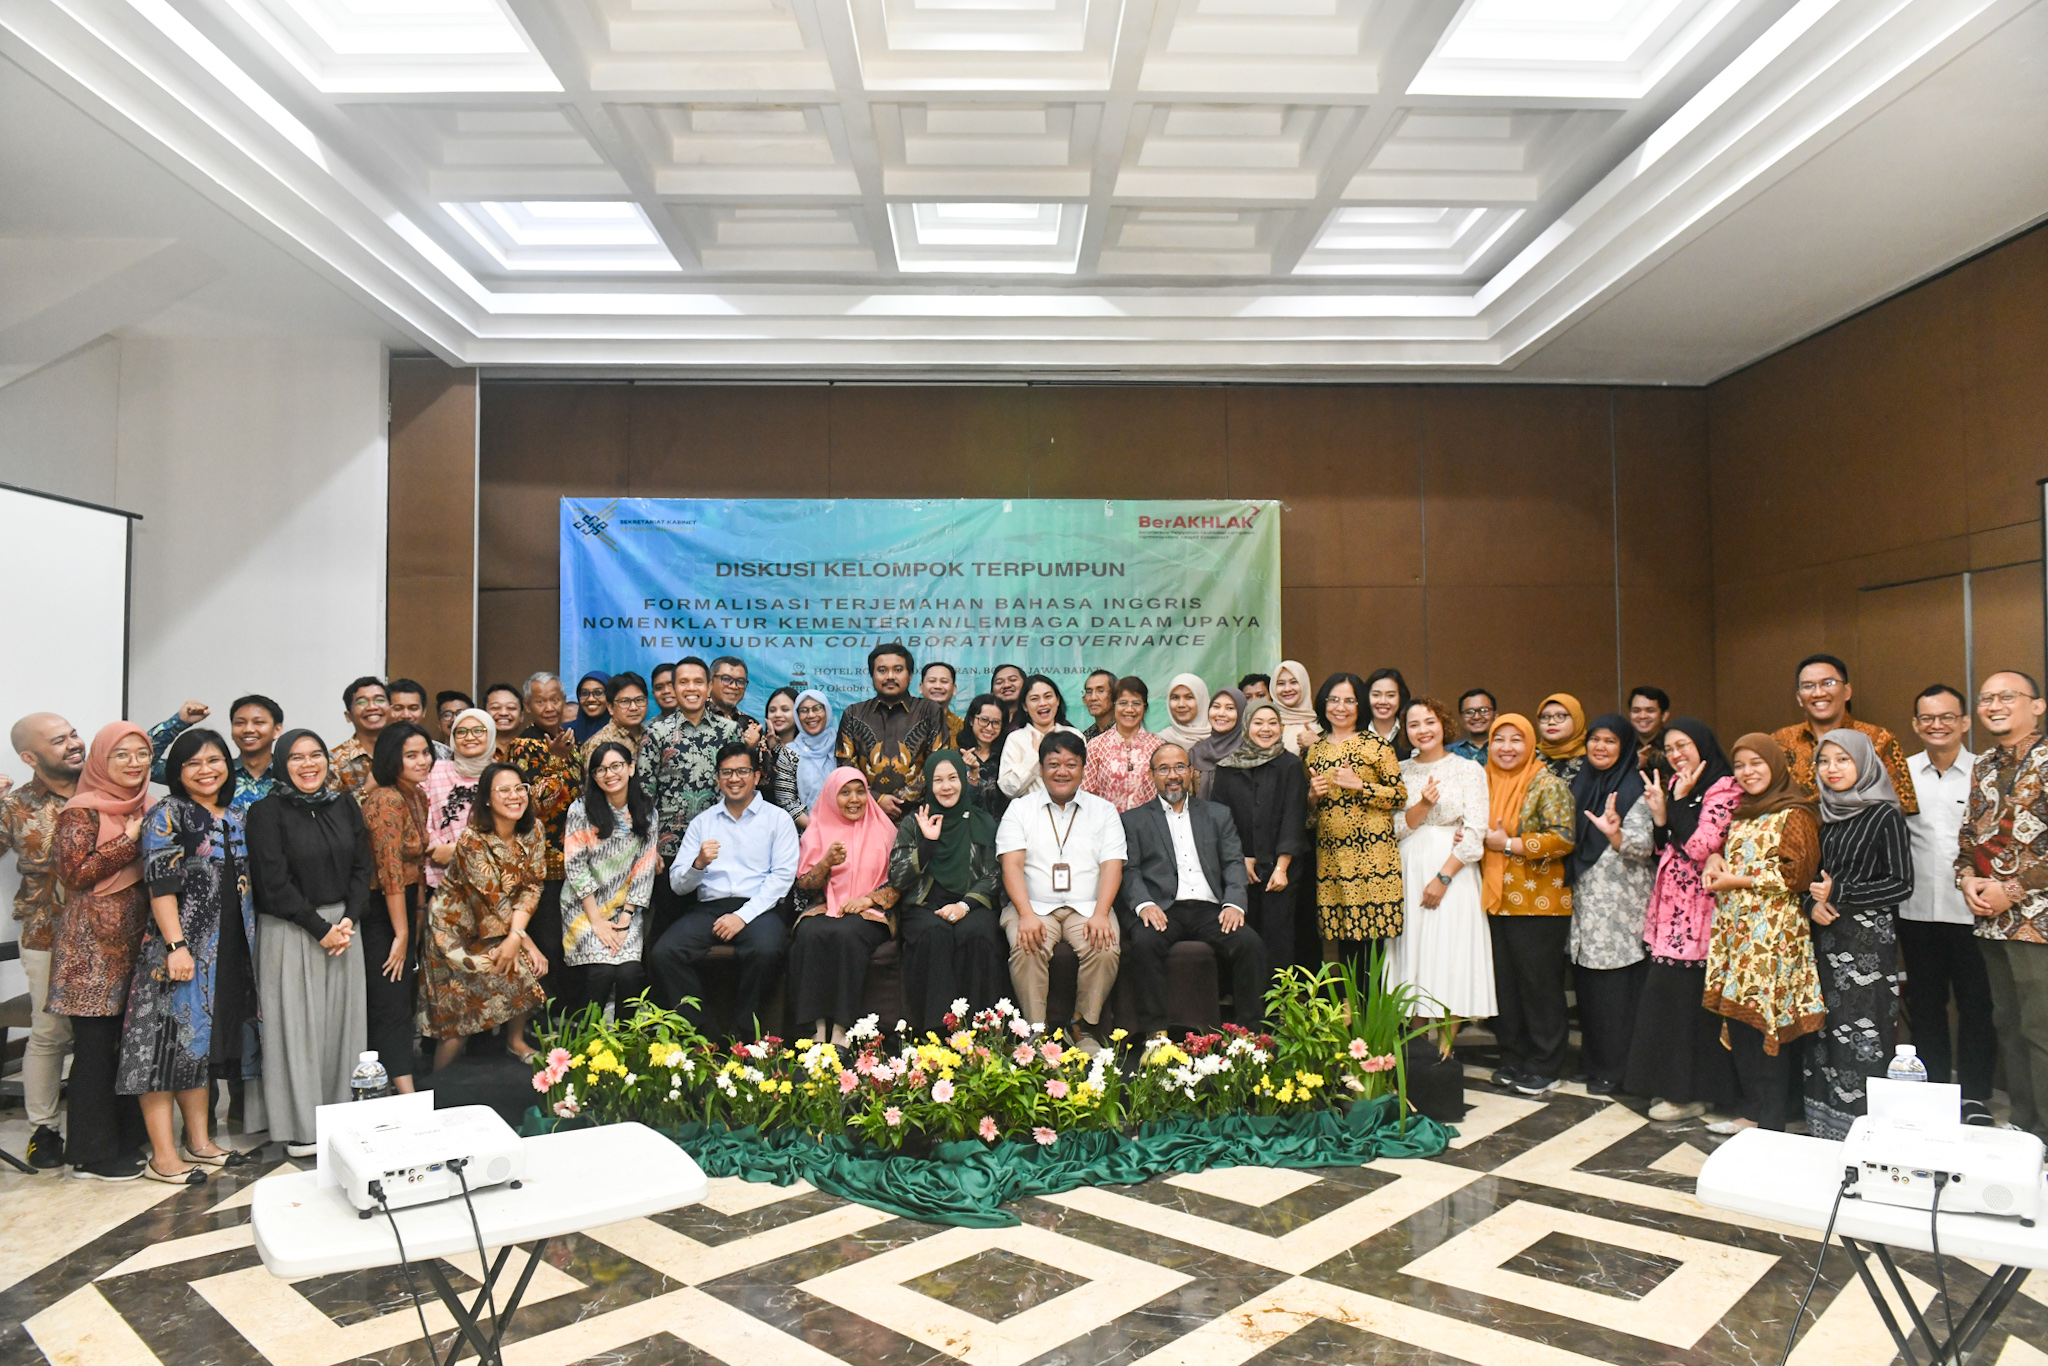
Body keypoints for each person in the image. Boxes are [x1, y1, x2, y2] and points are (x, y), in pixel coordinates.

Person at [122, 728, 257, 1183]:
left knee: (199, 1050)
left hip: (226, 952)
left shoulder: (235, 815)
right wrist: (176, 946)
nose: (206, 770)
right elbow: (160, 884)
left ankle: (199, 1143)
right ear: (177, 772)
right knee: (161, 1050)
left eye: (214, 760)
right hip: (176, 953)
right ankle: (163, 1158)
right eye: (193, 763)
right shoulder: (168, 813)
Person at [245, 731, 371, 1157]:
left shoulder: (344, 805)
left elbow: (362, 867)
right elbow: (272, 882)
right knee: (297, 1030)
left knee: (343, 1028)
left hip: (344, 931)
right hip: (292, 931)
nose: (308, 764)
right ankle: (301, 1127)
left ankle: (342, 1120)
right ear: (282, 764)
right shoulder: (266, 812)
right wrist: (320, 928)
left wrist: (349, 918)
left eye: (316, 755)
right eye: (296, 757)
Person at [1699, 735, 1823, 1134]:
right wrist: (1715, 858)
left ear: (1775, 764)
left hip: (1774, 937)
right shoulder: (1743, 813)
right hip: (1738, 934)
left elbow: (1797, 876)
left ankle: (1771, 1121)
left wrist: (1736, 880)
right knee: (1743, 1023)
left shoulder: (1795, 813)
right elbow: (1733, 858)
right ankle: (1752, 1113)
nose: (1747, 772)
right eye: (1740, 765)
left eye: (1756, 763)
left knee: (1769, 1023)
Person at [51, 723, 155, 1180]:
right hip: (91, 952)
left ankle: (127, 1137)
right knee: (94, 1052)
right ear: (100, 760)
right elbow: (75, 873)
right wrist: (128, 840)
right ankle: (90, 1154)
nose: (134, 763)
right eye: (122, 755)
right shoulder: (81, 810)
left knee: (127, 1045)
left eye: (142, 754)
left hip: (136, 945)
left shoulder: (148, 805)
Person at [1623, 719, 1741, 1121]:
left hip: (1702, 913)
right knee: (1669, 1004)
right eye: (1670, 748)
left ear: (1703, 744)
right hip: (1672, 911)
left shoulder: (1724, 787)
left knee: (1689, 1005)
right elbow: (1666, 844)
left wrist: (1676, 804)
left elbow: (1702, 846)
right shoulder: (1678, 784)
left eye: (1684, 745)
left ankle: (1692, 1093)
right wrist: (1662, 814)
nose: (1676, 755)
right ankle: (1678, 1089)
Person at [1805, 729, 1914, 1139]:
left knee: (1863, 1030)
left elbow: (1901, 884)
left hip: (1867, 944)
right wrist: (1812, 905)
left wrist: (1842, 893)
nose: (1832, 769)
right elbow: (1812, 879)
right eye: (1824, 761)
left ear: (1865, 763)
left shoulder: (1884, 814)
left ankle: (1864, 1129)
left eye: (1843, 759)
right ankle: (1824, 1124)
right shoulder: (1824, 816)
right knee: (1825, 1029)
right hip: (1826, 938)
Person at [650, 743, 798, 1038]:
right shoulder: (703, 823)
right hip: (710, 907)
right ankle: (703, 1034)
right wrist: (698, 864)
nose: (734, 779)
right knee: (664, 953)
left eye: (742, 771)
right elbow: (678, 884)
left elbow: (782, 878)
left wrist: (742, 916)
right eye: (727, 772)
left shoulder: (778, 819)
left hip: (759, 907)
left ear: (757, 776)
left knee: (767, 951)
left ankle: (745, 1035)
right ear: (717, 778)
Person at [1118, 744, 1265, 1037]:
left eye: (1179, 767)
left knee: (1250, 944)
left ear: (1191, 772)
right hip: (1163, 908)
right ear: (1151, 775)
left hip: (1210, 908)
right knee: (1145, 943)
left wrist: (1234, 903)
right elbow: (1129, 869)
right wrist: (1144, 903)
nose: (1173, 775)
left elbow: (1233, 862)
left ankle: (1248, 1036)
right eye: (1164, 769)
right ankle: (1155, 1035)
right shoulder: (1133, 820)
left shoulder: (1217, 814)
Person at [1958, 672, 2048, 1140]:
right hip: (1991, 922)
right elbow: (1968, 836)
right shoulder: (1984, 765)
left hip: (2039, 922)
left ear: (2037, 705)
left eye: (2007, 696)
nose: (1994, 705)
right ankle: (2024, 1127)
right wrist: (1967, 879)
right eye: (1986, 698)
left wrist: (2011, 890)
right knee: (2008, 1026)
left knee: (2041, 1029)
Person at [1900, 685, 1995, 1123]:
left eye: (1947, 717)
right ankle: (1935, 1091)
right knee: (1925, 1005)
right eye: (1927, 718)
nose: (1937, 725)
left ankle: (1974, 1096)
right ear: (1916, 724)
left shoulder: (1984, 772)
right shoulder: (1902, 773)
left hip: (1973, 911)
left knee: (1977, 1006)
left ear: (1964, 722)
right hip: (1915, 909)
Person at [997, 731, 1125, 1050]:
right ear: (1041, 769)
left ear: (1083, 768)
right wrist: (1025, 914)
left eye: (1071, 764)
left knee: (1105, 946)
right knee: (1027, 944)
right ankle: (1036, 1032)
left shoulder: (1104, 810)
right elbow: (1011, 866)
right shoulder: (1019, 809)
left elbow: (1112, 866)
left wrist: (1101, 913)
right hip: (1033, 905)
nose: (1062, 771)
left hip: (1088, 905)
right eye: (1053, 764)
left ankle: (1081, 1026)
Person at [420, 763, 550, 1070]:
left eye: (520, 788)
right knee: (459, 1021)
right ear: (487, 799)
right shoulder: (472, 840)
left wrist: (517, 939)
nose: (514, 796)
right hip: (455, 932)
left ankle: (515, 1042)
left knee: (521, 971)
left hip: (500, 925)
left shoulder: (534, 829)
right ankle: (439, 1084)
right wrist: (523, 941)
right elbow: (493, 900)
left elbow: (532, 885)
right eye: (503, 790)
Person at [1, 713, 86, 1169]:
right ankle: (44, 1129)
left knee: (109, 1032)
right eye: (59, 740)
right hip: (45, 932)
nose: (74, 744)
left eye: (73, 734)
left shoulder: (104, 786)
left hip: (111, 932)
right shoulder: (16, 806)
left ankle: (108, 1125)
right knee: (51, 1031)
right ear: (30, 757)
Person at [1478, 714, 1576, 1096]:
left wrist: (1508, 844)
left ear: (1530, 744)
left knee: (1539, 987)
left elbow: (1563, 839)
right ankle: (1514, 1057)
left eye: (1516, 739)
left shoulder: (1547, 784)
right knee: (1506, 987)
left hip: (1539, 903)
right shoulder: (1483, 783)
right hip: (1494, 900)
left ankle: (1545, 1064)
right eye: (1498, 739)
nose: (1506, 748)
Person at [1564, 714, 1654, 1095]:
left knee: (1616, 992)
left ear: (1625, 746)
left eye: (1610, 741)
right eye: (1595, 739)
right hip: (1586, 902)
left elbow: (1644, 846)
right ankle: (1593, 1061)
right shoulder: (1582, 782)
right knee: (1589, 987)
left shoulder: (1634, 786)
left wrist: (1615, 835)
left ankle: (1616, 1069)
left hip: (1620, 905)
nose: (1600, 747)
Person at [1388, 698, 1491, 1025]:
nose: (1423, 730)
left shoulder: (1468, 769)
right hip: (1409, 868)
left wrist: (1443, 878)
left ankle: (1447, 1046)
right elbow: (1395, 828)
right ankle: (1416, 1044)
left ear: (1443, 724)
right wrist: (1422, 805)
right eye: (1414, 724)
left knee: (1452, 953)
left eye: (1429, 721)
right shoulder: (1399, 771)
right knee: (1414, 952)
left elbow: (1475, 831)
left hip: (1454, 871)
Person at [890, 750, 1007, 1037]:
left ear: (963, 780)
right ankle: (936, 1034)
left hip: (971, 904)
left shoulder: (982, 821)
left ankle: (982, 1030)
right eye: (938, 780)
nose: (946, 787)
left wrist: (964, 906)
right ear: (929, 784)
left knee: (978, 934)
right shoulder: (914, 822)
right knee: (934, 934)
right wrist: (927, 843)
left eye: (953, 778)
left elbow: (994, 875)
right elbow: (898, 878)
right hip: (924, 904)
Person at [789, 768, 899, 1044]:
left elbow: (901, 880)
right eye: (845, 792)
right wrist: (826, 862)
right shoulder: (817, 829)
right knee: (809, 934)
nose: (854, 799)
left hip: (871, 910)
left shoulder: (884, 828)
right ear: (831, 796)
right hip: (825, 905)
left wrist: (868, 900)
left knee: (846, 934)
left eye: (860, 792)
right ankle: (816, 1030)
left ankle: (841, 1030)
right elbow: (805, 884)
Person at [1303, 672, 1407, 965]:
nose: (1341, 707)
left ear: (1360, 705)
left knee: (1373, 948)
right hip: (1333, 859)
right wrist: (1312, 797)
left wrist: (1360, 785)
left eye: (1350, 701)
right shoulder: (1314, 751)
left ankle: (1373, 999)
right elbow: (1310, 817)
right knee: (1344, 945)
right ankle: (1349, 998)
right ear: (1323, 703)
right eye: (1333, 699)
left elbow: (1399, 796)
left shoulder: (1377, 746)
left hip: (1373, 860)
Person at [358, 722, 437, 1093]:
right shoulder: (385, 800)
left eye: (425, 753)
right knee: (390, 1002)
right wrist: (401, 934)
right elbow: (389, 870)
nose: (423, 761)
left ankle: (396, 1082)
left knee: (403, 998)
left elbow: (416, 865)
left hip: (406, 905)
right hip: (380, 910)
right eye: (411, 755)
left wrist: (417, 917)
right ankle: (403, 1091)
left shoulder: (416, 795)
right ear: (392, 759)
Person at [561, 740, 659, 1020]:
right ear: (593, 776)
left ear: (631, 768)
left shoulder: (647, 812)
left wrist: (626, 918)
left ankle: (627, 1041)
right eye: (601, 770)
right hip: (583, 907)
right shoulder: (580, 810)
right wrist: (596, 921)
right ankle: (583, 1039)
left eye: (616, 766)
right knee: (601, 973)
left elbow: (644, 868)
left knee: (630, 973)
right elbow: (575, 866)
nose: (609, 774)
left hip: (625, 907)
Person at [1210, 699, 1309, 971]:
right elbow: (1220, 820)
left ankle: (1280, 998)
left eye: (1272, 723)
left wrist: (1281, 867)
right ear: (1246, 726)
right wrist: (1241, 858)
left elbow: (1293, 817)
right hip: (1238, 870)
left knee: (1278, 940)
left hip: (1281, 869)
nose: (1266, 729)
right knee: (1243, 939)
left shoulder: (1290, 765)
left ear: (1281, 727)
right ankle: (1247, 998)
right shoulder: (1227, 768)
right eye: (1258, 722)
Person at [507, 673, 583, 995]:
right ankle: (544, 1013)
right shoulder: (523, 746)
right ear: (528, 706)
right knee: (548, 942)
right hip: (542, 862)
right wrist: (555, 761)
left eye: (555, 699)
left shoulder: (569, 740)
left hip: (575, 859)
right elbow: (530, 805)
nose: (549, 707)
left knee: (571, 939)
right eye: (540, 701)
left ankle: (572, 1011)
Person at [638, 657, 747, 877]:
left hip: (720, 846)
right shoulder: (656, 733)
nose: (691, 688)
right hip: (669, 848)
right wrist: (647, 848)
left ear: (709, 687)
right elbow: (643, 796)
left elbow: (742, 788)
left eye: (698, 682)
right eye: (683, 682)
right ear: (674, 688)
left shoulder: (730, 731)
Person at [1772, 654, 1918, 814]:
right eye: (1808, 686)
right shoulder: (1780, 742)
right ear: (1799, 698)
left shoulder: (1879, 739)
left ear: (1847, 691)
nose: (1818, 693)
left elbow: (1903, 805)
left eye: (1828, 683)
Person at [836, 643, 947, 818]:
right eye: (882, 670)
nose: (890, 676)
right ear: (872, 676)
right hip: (866, 813)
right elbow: (845, 766)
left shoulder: (930, 711)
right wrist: (876, 799)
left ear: (910, 676)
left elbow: (938, 763)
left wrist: (898, 801)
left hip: (919, 816)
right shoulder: (853, 714)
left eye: (897, 670)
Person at [424, 707, 494, 890]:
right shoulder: (434, 770)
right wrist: (438, 849)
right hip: (441, 878)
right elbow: (419, 817)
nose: (469, 737)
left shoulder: (501, 775)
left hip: (490, 879)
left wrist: (459, 852)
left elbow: (508, 829)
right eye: (461, 731)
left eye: (478, 730)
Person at [999, 674, 1087, 800]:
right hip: (1029, 811)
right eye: (1034, 699)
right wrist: (1034, 754)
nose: (1042, 703)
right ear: (1025, 706)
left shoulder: (1075, 735)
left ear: (1057, 700)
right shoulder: (1015, 739)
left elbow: (1085, 781)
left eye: (1048, 696)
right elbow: (1008, 789)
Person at [1084, 677, 1163, 813]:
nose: (1129, 709)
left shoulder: (1158, 747)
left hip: (1148, 824)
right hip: (1106, 823)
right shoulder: (1096, 746)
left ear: (1145, 708)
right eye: (1123, 703)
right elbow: (1086, 794)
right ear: (1114, 705)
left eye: (1136, 703)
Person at [771, 688, 836, 829]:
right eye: (804, 710)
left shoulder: (842, 745)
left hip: (846, 831)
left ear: (827, 711)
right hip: (807, 834)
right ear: (797, 716)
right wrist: (817, 829)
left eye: (817, 708)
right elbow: (787, 802)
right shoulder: (789, 753)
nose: (811, 715)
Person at [329, 677, 389, 794]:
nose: (372, 707)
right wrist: (366, 790)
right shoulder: (334, 761)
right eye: (361, 702)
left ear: (391, 709)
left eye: (379, 700)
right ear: (348, 716)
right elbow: (331, 806)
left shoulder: (406, 751)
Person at [580, 671, 651, 764]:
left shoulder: (652, 735)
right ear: (610, 708)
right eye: (625, 701)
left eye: (639, 700)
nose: (633, 707)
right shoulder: (598, 743)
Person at [1189, 686, 1245, 800]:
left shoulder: (1250, 752)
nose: (1221, 713)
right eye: (1216, 706)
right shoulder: (1196, 753)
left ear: (1241, 712)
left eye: (1230, 708)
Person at [959, 693, 1010, 816]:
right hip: (967, 823)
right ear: (971, 720)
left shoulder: (1006, 756)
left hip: (1002, 824)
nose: (989, 728)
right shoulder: (959, 756)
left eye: (996, 722)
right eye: (984, 720)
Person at [387, 679, 452, 760]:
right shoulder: (376, 750)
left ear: (424, 711)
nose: (406, 715)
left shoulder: (443, 754)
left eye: (413, 708)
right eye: (398, 708)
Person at [1534, 693, 1587, 783]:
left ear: (1576, 719)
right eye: (1545, 717)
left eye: (1560, 716)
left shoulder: (1593, 759)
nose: (1551, 722)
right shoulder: (1529, 757)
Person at [1272, 661, 1322, 755]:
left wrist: (1318, 744)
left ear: (1304, 684)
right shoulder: (1264, 724)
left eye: (1294, 682)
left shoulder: (1322, 726)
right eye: (1281, 683)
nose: (1287, 689)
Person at [1363, 669, 1412, 761]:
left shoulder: (1410, 732)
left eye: (1391, 695)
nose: (1383, 701)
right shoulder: (1356, 733)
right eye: (1376, 695)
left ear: (1400, 698)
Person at [1156, 674, 1212, 755]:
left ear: (1202, 700)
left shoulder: (1220, 739)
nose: (1181, 704)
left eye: (1189, 697)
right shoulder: (1159, 742)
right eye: (1175, 697)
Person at [1628, 686, 1671, 779]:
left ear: (1664, 715)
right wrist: (1632, 765)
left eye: (1650, 710)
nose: (1642, 716)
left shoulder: (1673, 745)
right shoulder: (1623, 746)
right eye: (1636, 711)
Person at [710, 656, 760, 733]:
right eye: (726, 679)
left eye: (740, 681)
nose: (734, 686)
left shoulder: (750, 725)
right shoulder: (693, 715)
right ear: (710, 680)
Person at [921, 663, 964, 747]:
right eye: (932, 681)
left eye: (944, 681)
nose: (937, 686)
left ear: (954, 689)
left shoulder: (962, 728)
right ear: (921, 687)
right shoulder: (907, 721)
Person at [1450, 689, 1495, 764]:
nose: (1477, 717)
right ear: (1461, 718)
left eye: (1484, 710)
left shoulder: (1506, 750)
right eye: (1469, 712)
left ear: (1495, 715)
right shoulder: (1449, 753)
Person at [570, 672, 611, 744]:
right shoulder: (567, 732)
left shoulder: (622, 732)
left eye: (598, 693)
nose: (590, 699)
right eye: (584, 693)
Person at [761, 686, 800, 760]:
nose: (777, 715)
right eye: (772, 710)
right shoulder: (759, 747)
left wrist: (775, 748)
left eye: (785, 709)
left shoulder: (809, 748)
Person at [1080, 669, 1117, 740]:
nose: (1093, 698)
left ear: (1114, 695)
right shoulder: (1087, 737)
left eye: (1100, 691)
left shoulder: (1125, 731)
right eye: (1089, 692)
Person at [990, 663, 1027, 730]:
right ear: (992, 691)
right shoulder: (986, 721)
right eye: (999, 682)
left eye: (1013, 680)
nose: (1006, 685)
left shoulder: (1036, 718)